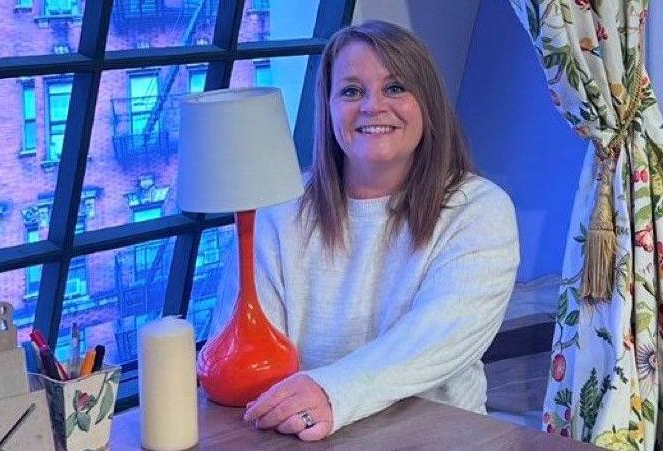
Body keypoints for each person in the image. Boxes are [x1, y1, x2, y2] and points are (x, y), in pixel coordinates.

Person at [206, 20, 520, 442]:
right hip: (304, 437)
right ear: (329, 109)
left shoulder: (480, 209)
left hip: (443, 437)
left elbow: (436, 337)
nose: (373, 106)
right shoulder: (277, 212)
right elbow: (243, 357)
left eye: (395, 88)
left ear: (427, 104)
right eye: (351, 91)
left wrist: (330, 391)